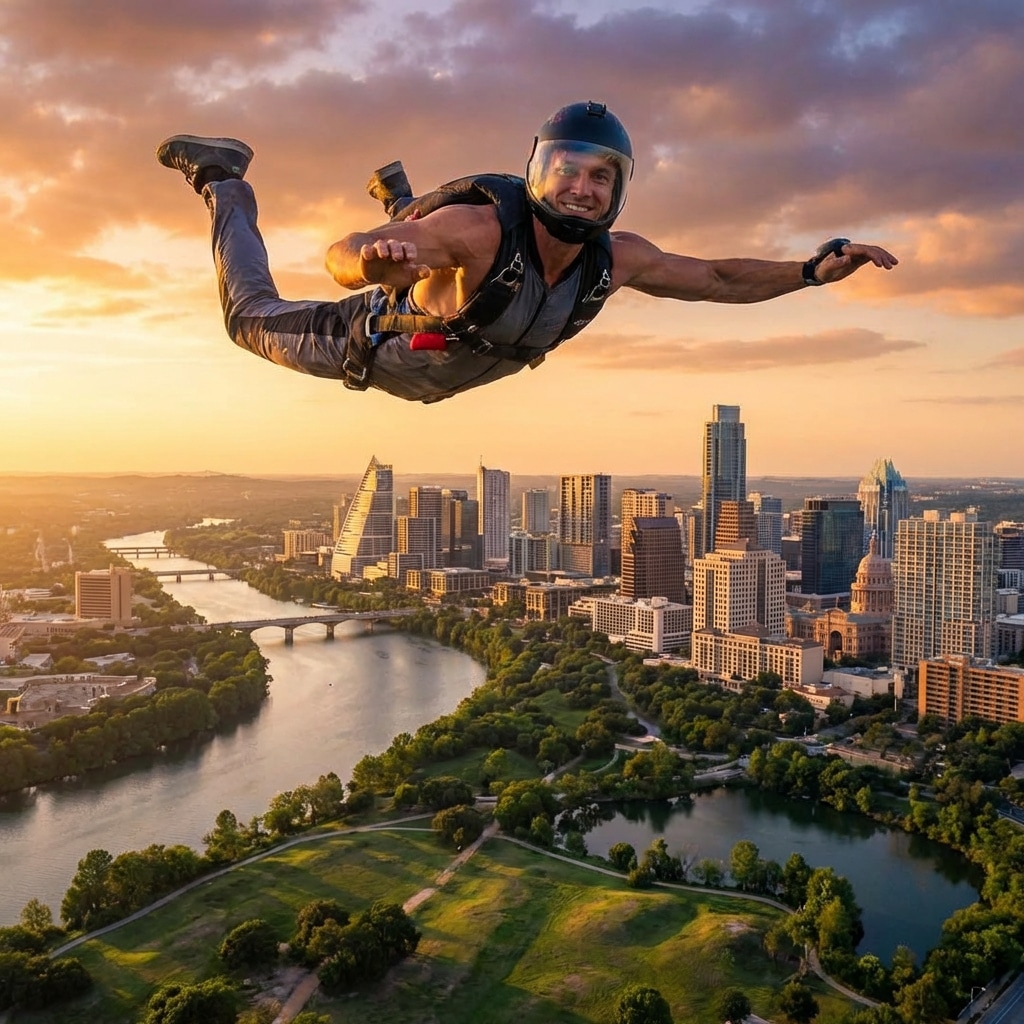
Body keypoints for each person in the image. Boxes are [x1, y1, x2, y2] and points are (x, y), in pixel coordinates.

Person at [157, 101, 897, 405]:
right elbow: (339, 255)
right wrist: (373, 260)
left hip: (445, 359)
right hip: (367, 339)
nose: (580, 189)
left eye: (599, 176)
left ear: (619, 190)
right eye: (566, 171)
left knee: (427, 243)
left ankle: (399, 197)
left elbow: (715, 278)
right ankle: (224, 181)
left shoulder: (618, 258)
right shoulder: (477, 230)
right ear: (539, 170)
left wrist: (808, 273)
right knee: (248, 317)